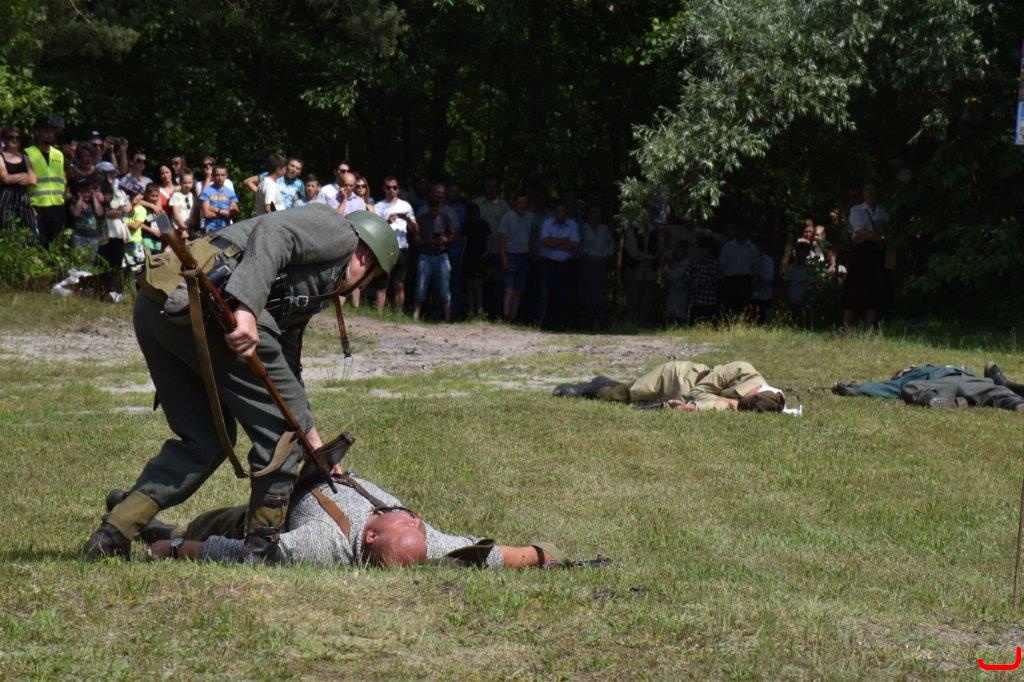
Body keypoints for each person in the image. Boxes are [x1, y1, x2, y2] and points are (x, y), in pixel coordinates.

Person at [84, 207, 400, 561]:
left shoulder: (315, 285)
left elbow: (284, 368)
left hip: (160, 308)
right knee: (282, 435)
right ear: (366, 257)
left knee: (204, 440)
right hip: (210, 308)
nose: (363, 288)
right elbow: (274, 231)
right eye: (371, 279)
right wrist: (247, 310)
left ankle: (114, 532)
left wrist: (314, 442)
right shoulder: (339, 232)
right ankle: (260, 548)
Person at [118, 466, 575, 569]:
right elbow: (489, 554)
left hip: (268, 514)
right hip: (319, 469)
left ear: (371, 537)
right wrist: (544, 555)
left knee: (209, 526)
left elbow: (247, 554)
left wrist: (175, 549)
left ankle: (144, 523)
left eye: (406, 523)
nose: (416, 521)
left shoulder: (322, 545)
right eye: (414, 524)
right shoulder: (425, 542)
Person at [553, 360, 786, 412]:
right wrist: (728, 401)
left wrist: (691, 408)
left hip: (682, 397)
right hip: (676, 377)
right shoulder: (742, 370)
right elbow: (698, 392)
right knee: (622, 395)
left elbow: (701, 404)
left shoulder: (768, 402)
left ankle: (606, 383)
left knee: (629, 395)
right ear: (755, 392)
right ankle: (585, 389)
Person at [833, 363, 1024, 411]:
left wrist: (853, 389)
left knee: (994, 390)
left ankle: (1016, 403)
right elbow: (882, 388)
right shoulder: (904, 378)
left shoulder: (906, 378)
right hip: (946, 385)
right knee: (993, 390)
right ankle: (945, 402)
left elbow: (883, 388)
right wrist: (854, 389)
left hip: (959, 381)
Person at [844, 181, 888, 330]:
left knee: (875, 287)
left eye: (873, 189)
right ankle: (847, 326)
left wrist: (867, 235)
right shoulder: (856, 210)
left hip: (877, 253)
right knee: (855, 285)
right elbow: (859, 232)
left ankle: (869, 327)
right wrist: (878, 236)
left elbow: (885, 232)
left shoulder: (882, 211)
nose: (870, 193)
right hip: (861, 253)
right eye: (867, 189)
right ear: (863, 192)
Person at [374, 176, 417, 313]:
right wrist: (387, 221)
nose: (391, 190)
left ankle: (398, 315)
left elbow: (416, 230)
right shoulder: (378, 206)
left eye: (394, 187)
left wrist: (409, 220)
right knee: (382, 284)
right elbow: (374, 230)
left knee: (399, 284)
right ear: (384, 188)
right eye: (388, 187)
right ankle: (378, 315)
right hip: (385, 249)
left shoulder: (406, 206)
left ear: (398, 189)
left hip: (402, 248)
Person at [410, 194, 455, 322]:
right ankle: (415, 315)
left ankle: (447, 318)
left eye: (437, 209)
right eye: (432, 209)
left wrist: (444, 239)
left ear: (440, 207)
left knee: (444, 287)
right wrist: (427, 240)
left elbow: (453, 236)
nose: (434, 212)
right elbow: (415, 240)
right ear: (428, 207)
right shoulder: (421, 219)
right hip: (425, 255)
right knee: (420, 286)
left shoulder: (446, 218)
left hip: (442, 255)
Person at [536, 202, 580, 330]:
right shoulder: (547, 223)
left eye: (563, 212)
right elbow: (545, 241)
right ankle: (541, 324)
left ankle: (559, 325)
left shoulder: (572, 224)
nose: (561, 214)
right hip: (548, 264)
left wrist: (553, 244)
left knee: (563, 296)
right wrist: (565, 240)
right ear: (554, 213)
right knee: (544, 295)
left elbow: (575, 244)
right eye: (558, 211)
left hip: (565, 265)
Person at [24, 116, 67, 245]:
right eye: (46, 130)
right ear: (37, 132)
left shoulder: (59, 154)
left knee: (56, 245)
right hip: (37, 206)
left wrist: (63, 199)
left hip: (57, 206)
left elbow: (63, 180)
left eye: (52, 131)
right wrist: (28, 205)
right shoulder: (27, 153)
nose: (50, 133)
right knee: (39, 244)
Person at [577, 206, 615, 330]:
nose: (596, 215)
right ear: (588, 215)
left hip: (600, 264)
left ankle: (597, 322)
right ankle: (584, 322)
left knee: (599, 292)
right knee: (586, 292)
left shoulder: (604, 229)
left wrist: (608, 254)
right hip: (587, 263)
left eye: (598, 213)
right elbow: (578, 243)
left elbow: (611, 243)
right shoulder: (584, 227)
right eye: (593, 212)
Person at [497, 194, 534, 322]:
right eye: (519, 203)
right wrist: (504, 259)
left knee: (518, 291)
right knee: (509, 290)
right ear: (514, 203)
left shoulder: (530, 217)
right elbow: (502, 239)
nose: (522, 206)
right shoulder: (507, 217)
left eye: (524, 203)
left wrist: (529, 249)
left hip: (524, 256)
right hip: (511, 255)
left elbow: (533, 233)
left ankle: (513, 318)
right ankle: (505, 316)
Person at [0, 126, 38, 234]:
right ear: (3, 139)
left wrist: (15, 178)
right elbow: (6, 179)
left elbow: (33, 179)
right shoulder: (1, 156)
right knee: (8, 232)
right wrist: (24, 175)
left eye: (17, 137)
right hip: (6, 198)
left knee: (30, 233)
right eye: (10, 137)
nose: (14, 140)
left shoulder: (25, 157)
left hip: (24, 198)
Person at [718, 224, 761, 317]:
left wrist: (751, 284)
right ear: (736, 231)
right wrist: (724, 281)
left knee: (743, 308)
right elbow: (721, 266)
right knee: (728, 308)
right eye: (739, 230)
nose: (741, 233)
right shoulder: (727, 247)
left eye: (743, 230)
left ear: (747, 231)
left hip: (745, 280)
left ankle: (741, 323)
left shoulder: (753, 249)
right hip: (730, 280)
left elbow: (756, 269)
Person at [622, 225, 659, 327]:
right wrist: (648, 257)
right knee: (633, 299)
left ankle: (645, 322)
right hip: (634, 270)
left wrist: (651, 259)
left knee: (647, 300)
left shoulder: (654, 231)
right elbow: (633, 253)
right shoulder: (631, 231)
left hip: (650, 272)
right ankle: (632, 322)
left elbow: (660, 250)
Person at [97, 161, 131, 271]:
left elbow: (128, 208)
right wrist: (109, 213)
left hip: (118, 233)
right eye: (109, 172)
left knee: (117, 267)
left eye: (114, 172)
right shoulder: (97, 189)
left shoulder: (118, 187)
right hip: (103, 234)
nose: (113, 175)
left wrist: (125, 209)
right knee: (102, 267)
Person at [461, 202, 490, 317]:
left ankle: (480, 310)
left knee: (478, 285)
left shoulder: (484, 224)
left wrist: (486, 253)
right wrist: (462, 258)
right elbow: (464, 243)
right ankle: (471, 311)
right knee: (470, 286)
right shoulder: (467, 225)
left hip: (480, 257)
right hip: (469, 257)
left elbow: (489, 241)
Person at [685, 235, 722, 324]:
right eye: (701, 248)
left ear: (710, 249)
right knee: (693, 324)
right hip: (696, 300)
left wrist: (701, 282)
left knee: (709, 324)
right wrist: (692, 280)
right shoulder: (694, 262)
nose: (704, 251)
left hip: (709, 300)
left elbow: (717, 278)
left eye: (706, 248)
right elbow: (686, 274)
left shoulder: (715, 263)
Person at [68, 177, 106, 260]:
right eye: (83, 192)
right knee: (77, 261)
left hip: (93, 237)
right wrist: (80, 199)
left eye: (88, 192)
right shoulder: (74, 202)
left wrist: (94, 197)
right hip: (78, 236)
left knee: (89, 262)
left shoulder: (95, 202)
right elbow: (76, 213)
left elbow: (99, 213)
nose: (86, 195)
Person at [200, 165, 239, 232]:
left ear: (226, 175)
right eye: (217, 175)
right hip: (210, 229)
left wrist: (216, 210)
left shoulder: (231, 193)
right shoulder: (206, 192)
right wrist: (225, 212)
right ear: (213, 176)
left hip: (226, 229)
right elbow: (206, 214)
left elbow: (233, 213)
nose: (220, 178)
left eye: (222, 175)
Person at [662, 241, 691, 327]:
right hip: (673, 290)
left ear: (686, 251)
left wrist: (667, 270)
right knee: (670, 312)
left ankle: (681, 328)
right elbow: (668, 276)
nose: (679, 253)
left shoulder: (687, 262)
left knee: (681, 314)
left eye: (681, 250)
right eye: (677, 250)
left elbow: (677, 274)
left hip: (682, 291)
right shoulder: (674, 262)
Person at [169, 171, 200, 240]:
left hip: (190, 227)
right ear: (180, 182)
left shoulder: (193, 195)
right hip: (178, 227)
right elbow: (175, 214)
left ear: (193, 182)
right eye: (185, 183)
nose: (187, 185)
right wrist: (183, 227)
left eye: (190, 182)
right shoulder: (176, 195)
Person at [750, 253, 775, 324]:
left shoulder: (768, 260)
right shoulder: (749, 258)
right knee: (753, 322)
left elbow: (770, 277)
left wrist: (758, 276)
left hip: (765, 296)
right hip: (752, 296)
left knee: (766, 322)